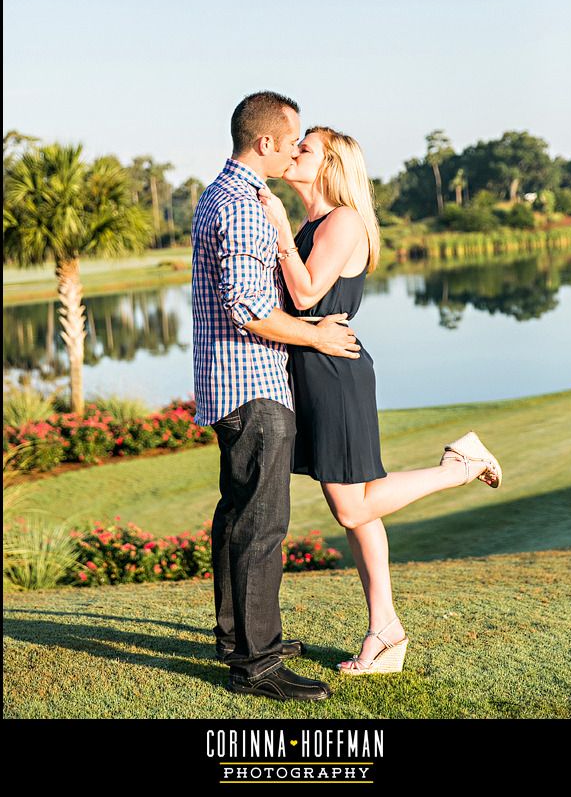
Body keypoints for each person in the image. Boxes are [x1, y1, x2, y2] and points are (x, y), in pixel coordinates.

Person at [257, 126, 502, 675]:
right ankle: (385, 632)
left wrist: (275, 230)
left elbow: (304, 294)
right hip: (316, 368)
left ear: (331, 165)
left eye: (306, 148)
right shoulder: (313, 223)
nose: (294, 152)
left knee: (352, 505)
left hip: (334, 373)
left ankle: (460, 467)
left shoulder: (342, 220)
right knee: (360, 511)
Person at [191, 92, 361, 702]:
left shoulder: (224, 194)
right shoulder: (240, 206)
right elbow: (249, 309)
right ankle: (256, 665)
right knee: (261, 526)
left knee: (238, 518)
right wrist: (315, 333)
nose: (294, 152)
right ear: (265, 143)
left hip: (233, 385)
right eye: (291, 142)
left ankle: (239, 638)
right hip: (253, 385)